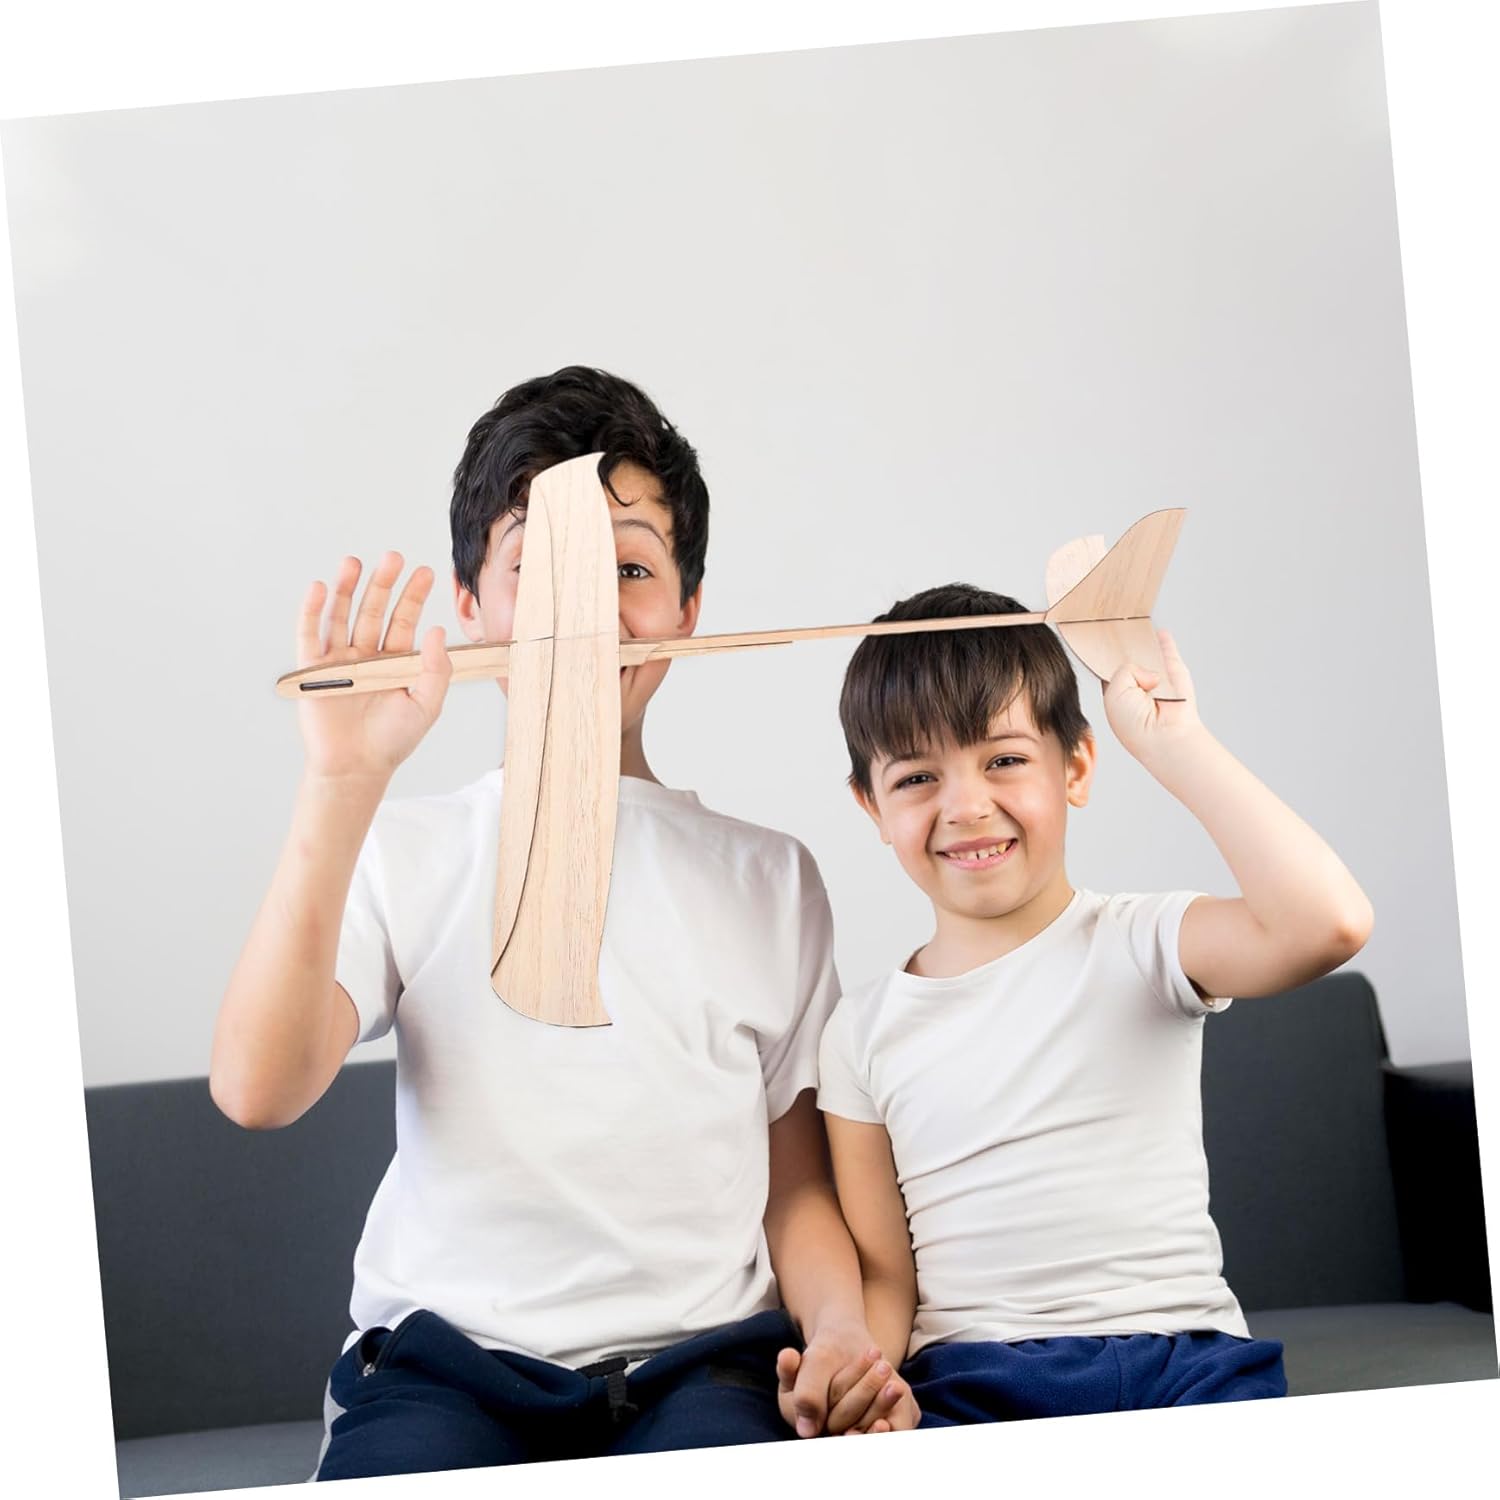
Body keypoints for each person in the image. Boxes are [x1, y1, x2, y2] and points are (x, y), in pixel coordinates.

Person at [209, 367, 917, 1477]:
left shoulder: (772, 879)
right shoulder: (403, 850)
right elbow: (257, 1089)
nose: (586, 609)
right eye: (541, 569)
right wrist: (340, 786)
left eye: (628, 569)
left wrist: (837, 1329)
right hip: (443, 1370)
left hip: (703, 1368)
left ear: (686, 611)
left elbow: (796, 1187)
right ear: (472, 606)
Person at [817, 582, 1374, 1423]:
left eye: (1004, 760)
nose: (965, 806)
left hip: (1187, 1360)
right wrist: (866, 1383)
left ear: (1075, 766)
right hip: (972, 1380)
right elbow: (888, 1276)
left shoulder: (1143, 942)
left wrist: (1175, 744)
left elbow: (1329, 923)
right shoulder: (860, 1032)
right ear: (872, 805)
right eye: (918, 777)